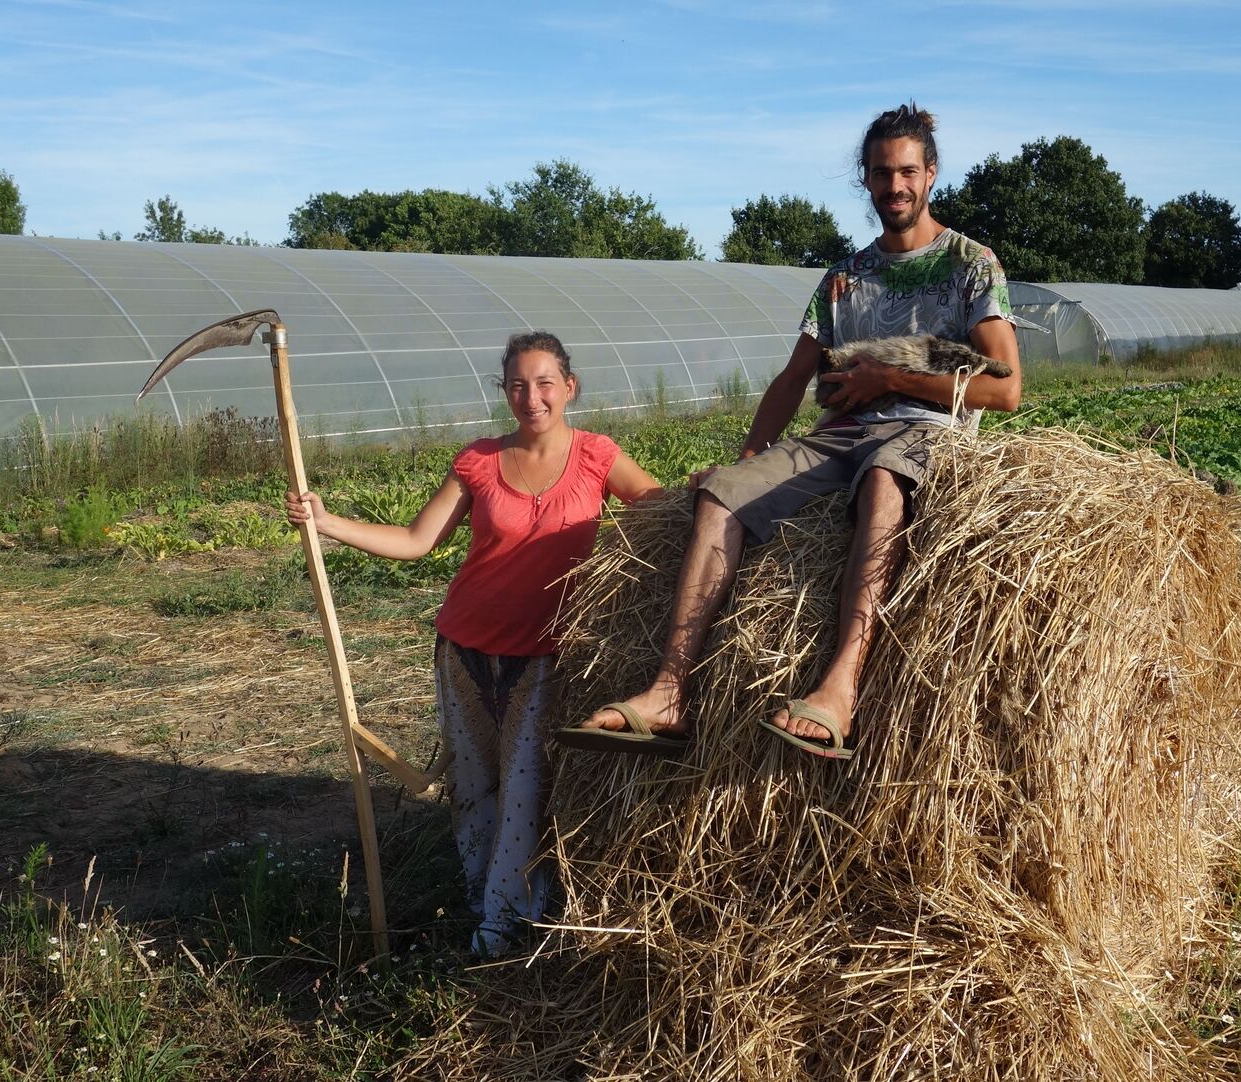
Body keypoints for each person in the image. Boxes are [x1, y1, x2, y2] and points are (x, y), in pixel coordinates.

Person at [557, 102, 1020, 762]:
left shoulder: (971, 265)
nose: (895, 187)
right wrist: (747, 463)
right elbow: (793, 377)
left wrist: (888, 380)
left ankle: (840, 689)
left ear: (931, 174)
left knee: (885, 481)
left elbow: (1005, 389)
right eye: (883, 173)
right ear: (865, 178)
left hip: (925, 431)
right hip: (843, 431)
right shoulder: (844, 279)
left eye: (908, 172)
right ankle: (669, 692)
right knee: (720, 494)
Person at [286, 331, 662, 954]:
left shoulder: (597, 456)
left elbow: (660, 507)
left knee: (524, 785)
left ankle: (505, 921)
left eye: (544, 383)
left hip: (544, 655)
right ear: (504, 391)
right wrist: (326, 522)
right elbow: (415, 540)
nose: (531, 397)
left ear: (569, 387)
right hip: (464, 646)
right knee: (474, 785)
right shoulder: (478, 462)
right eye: (517, 384)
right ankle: (481, 897)